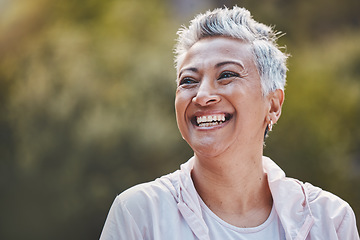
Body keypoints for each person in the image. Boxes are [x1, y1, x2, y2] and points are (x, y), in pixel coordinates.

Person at [100, 6, 359, 240]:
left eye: (226, 75)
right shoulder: (140, 215)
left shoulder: (330, 221)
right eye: (188, 80)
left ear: (273, 104)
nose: (202, 96)